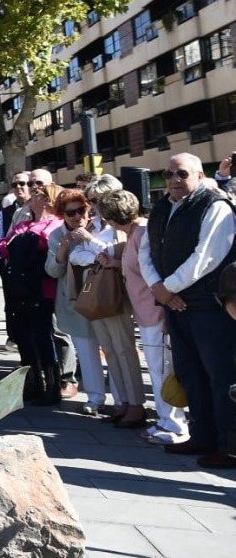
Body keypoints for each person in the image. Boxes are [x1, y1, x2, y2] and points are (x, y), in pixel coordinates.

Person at [139, 153, 236, 468]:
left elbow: (207, 255)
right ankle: (202, 436)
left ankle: (229, 444)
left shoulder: (215, 206)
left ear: (198, 174)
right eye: (168, 174)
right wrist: (159, 290)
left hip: (210, 307)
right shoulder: (162, 207)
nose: (173, 180)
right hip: (176, 305)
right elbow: (146, 251)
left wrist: (169, 288)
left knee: (220, 377)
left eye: (181, 174)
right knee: (190, 374)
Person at [46, 189, 112, 416]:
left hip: (105, 296)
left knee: (114, 348)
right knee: (85, 348)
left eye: (82, 210)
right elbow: (53, 271)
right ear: (62, 214)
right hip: (75, 300)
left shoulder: (102, 227)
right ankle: (95, 398)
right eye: (70, 212)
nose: (77, 217)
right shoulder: (57, 235)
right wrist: (62, 251)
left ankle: (123, 400)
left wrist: (89, 238)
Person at [89, 188, 149, 430]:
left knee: (125, 350)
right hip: (106, 294)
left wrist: (111, 259)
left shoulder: (140, 231)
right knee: (112, 351)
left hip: (126, 298)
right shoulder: (126, 231)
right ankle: (124, 401)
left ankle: (136, 404)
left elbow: (142, 268)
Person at [0, 182, 63, 405]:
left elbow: (43, 244)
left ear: (48, 200)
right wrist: (22, 242)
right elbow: (3, 247)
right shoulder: (23, 224)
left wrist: (22, 243)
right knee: (24, 337)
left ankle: (53, 385)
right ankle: (33, 382)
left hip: (41, 288)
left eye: (38, 194)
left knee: (44, 337)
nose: (32, 196)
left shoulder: (56, 224)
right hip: (18, 287)